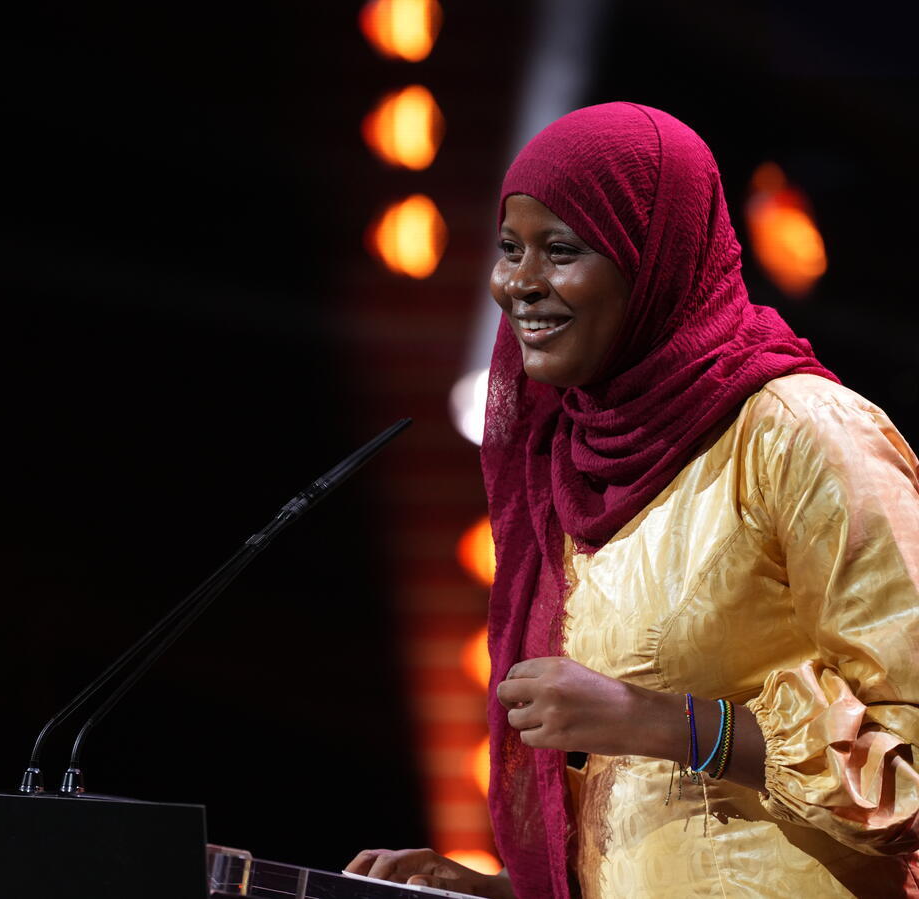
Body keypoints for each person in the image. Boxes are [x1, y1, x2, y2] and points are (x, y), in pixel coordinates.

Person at [346, 103, 919, 898]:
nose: (520, 284)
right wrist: (498, 890)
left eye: (562, 251)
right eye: (511, 249)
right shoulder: (579, 458)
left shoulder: (803, 434)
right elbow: (654, 832)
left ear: (656, 259)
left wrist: (668, 723)